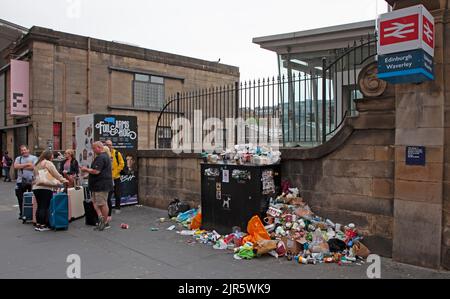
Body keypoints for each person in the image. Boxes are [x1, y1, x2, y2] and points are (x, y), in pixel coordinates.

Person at [80, 141, 113, 231]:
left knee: (102, 203)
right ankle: (101, 218)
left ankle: (105, 223)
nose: (93, 150)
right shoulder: (101, 157)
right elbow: (96, 171)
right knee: (95, 203)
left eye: (94, 148)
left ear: (99, 147)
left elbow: (97, 171)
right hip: (96, 185)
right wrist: (88, 174)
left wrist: (85, 169)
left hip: (101, 185)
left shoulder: (101, 157)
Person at [32, 150, 68, 232]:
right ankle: (42, 225)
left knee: (40, 206)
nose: (53, 157)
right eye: (52, 155)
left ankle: (38, 224)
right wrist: (63, 180)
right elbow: (55, 174)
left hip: (36, 187)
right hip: (45, 187)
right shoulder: (48, 163)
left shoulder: (37, 163)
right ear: (48, 156)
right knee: (44, 206)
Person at [13, 145, 38, 219]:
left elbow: (34, 167)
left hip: (32, 181)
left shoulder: (34, 158)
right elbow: (15, 166)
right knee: (20, 198)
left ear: (28, 150)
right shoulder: (18, 158)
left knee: (32, 198)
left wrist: (21, 166)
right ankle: (22, 213)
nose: (23, 151)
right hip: (20, 181)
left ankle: (31, 214)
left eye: (25, 150)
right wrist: (28, 164)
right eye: (22, 150)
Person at [105, 140, 124, 214]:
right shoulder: (104, 154)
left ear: (112, 145)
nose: (108, 146)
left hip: (116, 177)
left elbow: (122, 164)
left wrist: (115, 173)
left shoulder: (116, 153)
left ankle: (117, 207)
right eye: (107, 144)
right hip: (108, 178)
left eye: (110, 145)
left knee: (117, 193)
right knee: (108, 194)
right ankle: (108, 208)